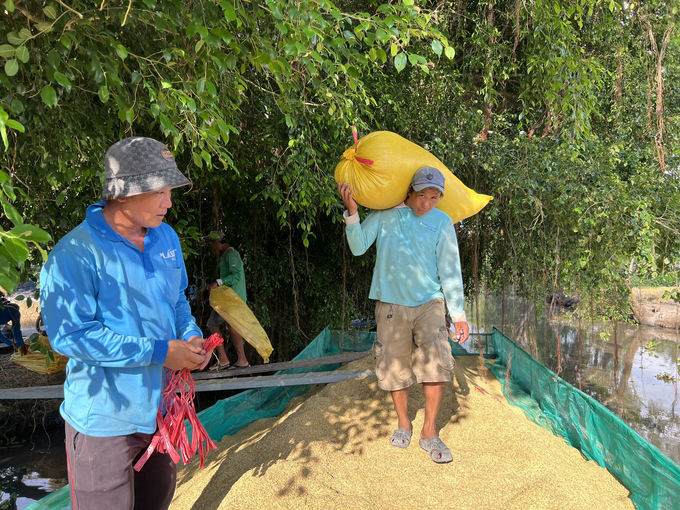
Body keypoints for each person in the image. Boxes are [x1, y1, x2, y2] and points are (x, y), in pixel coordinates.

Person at [40, 137, 208, 510]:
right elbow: (72, 336)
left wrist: (190, 335)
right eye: (160, 191)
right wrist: (161, 352)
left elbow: (177, 300)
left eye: (170, 191)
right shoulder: (74, 255)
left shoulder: (166, 238)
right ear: (124, 192)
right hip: (103, 422)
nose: (169, 202)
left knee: (157, 501)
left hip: (162, 412)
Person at [338, 166, 470, 464]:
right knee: (394, 365)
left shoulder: (442, 221)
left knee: (437, 359)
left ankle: (429, 431)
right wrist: (352, 212)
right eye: (422, 195)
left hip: (429, 303)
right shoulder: (385, 215)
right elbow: (358, 248)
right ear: (410, 191)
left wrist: (458, 313)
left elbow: (450, 269)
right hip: (391, 305)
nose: (427, 203)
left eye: (434, 197)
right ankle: (403, 423)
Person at [204, 231, 250, 370]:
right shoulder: (227, 255)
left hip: (233, 299)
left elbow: (236, 276)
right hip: (228, 299)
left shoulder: (231, 254)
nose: (212, 247)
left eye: (212, 244)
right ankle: (237, 360)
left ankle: (230, 360)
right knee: (228, 327)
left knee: (214, 325)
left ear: (218, 243)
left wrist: (217, 283)